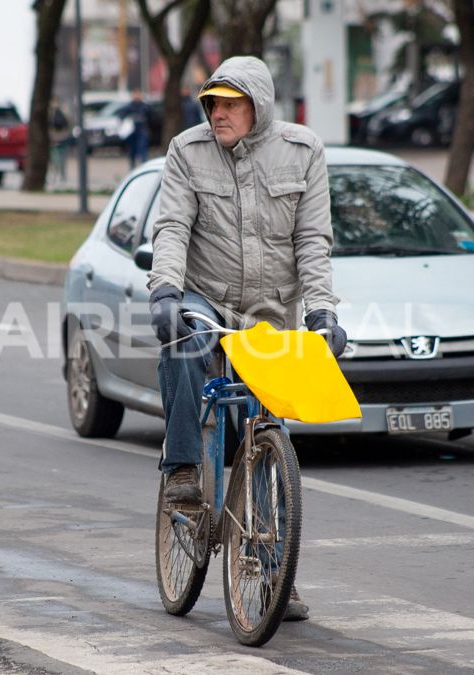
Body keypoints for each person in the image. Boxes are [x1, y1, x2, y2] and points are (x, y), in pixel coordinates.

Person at [146, 56, 348, 622]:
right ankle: (184, 471)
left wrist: (323, 313)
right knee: (182, 341)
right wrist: (164, 291)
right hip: (204, 295)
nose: (218, 114)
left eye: (231, 104)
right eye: (212, 103)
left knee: (267, 434)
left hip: (268, 311)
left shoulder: (303, 152)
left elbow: (314, 242)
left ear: (258, 105)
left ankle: (276, 568)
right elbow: (172, 228)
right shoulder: (187, 152)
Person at [116, 89, 151, 168]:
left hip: (142, 131)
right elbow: (121, 115)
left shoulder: (145, 106)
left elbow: (151, 117)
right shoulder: (129, 106)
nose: (137, 96)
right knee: (132, 151)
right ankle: (132, 167)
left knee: (143, 150)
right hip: (132, 132)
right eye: (136, 94)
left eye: (139, 94)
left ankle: (144, 167)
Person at [49, 97, 71, 183]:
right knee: (62, 159)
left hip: (55, 139)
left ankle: (58, 175)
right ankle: (62, 176)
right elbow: (69, 124)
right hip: (63, 138)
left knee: (56, 159)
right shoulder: (64, 111)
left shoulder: (51, 113)